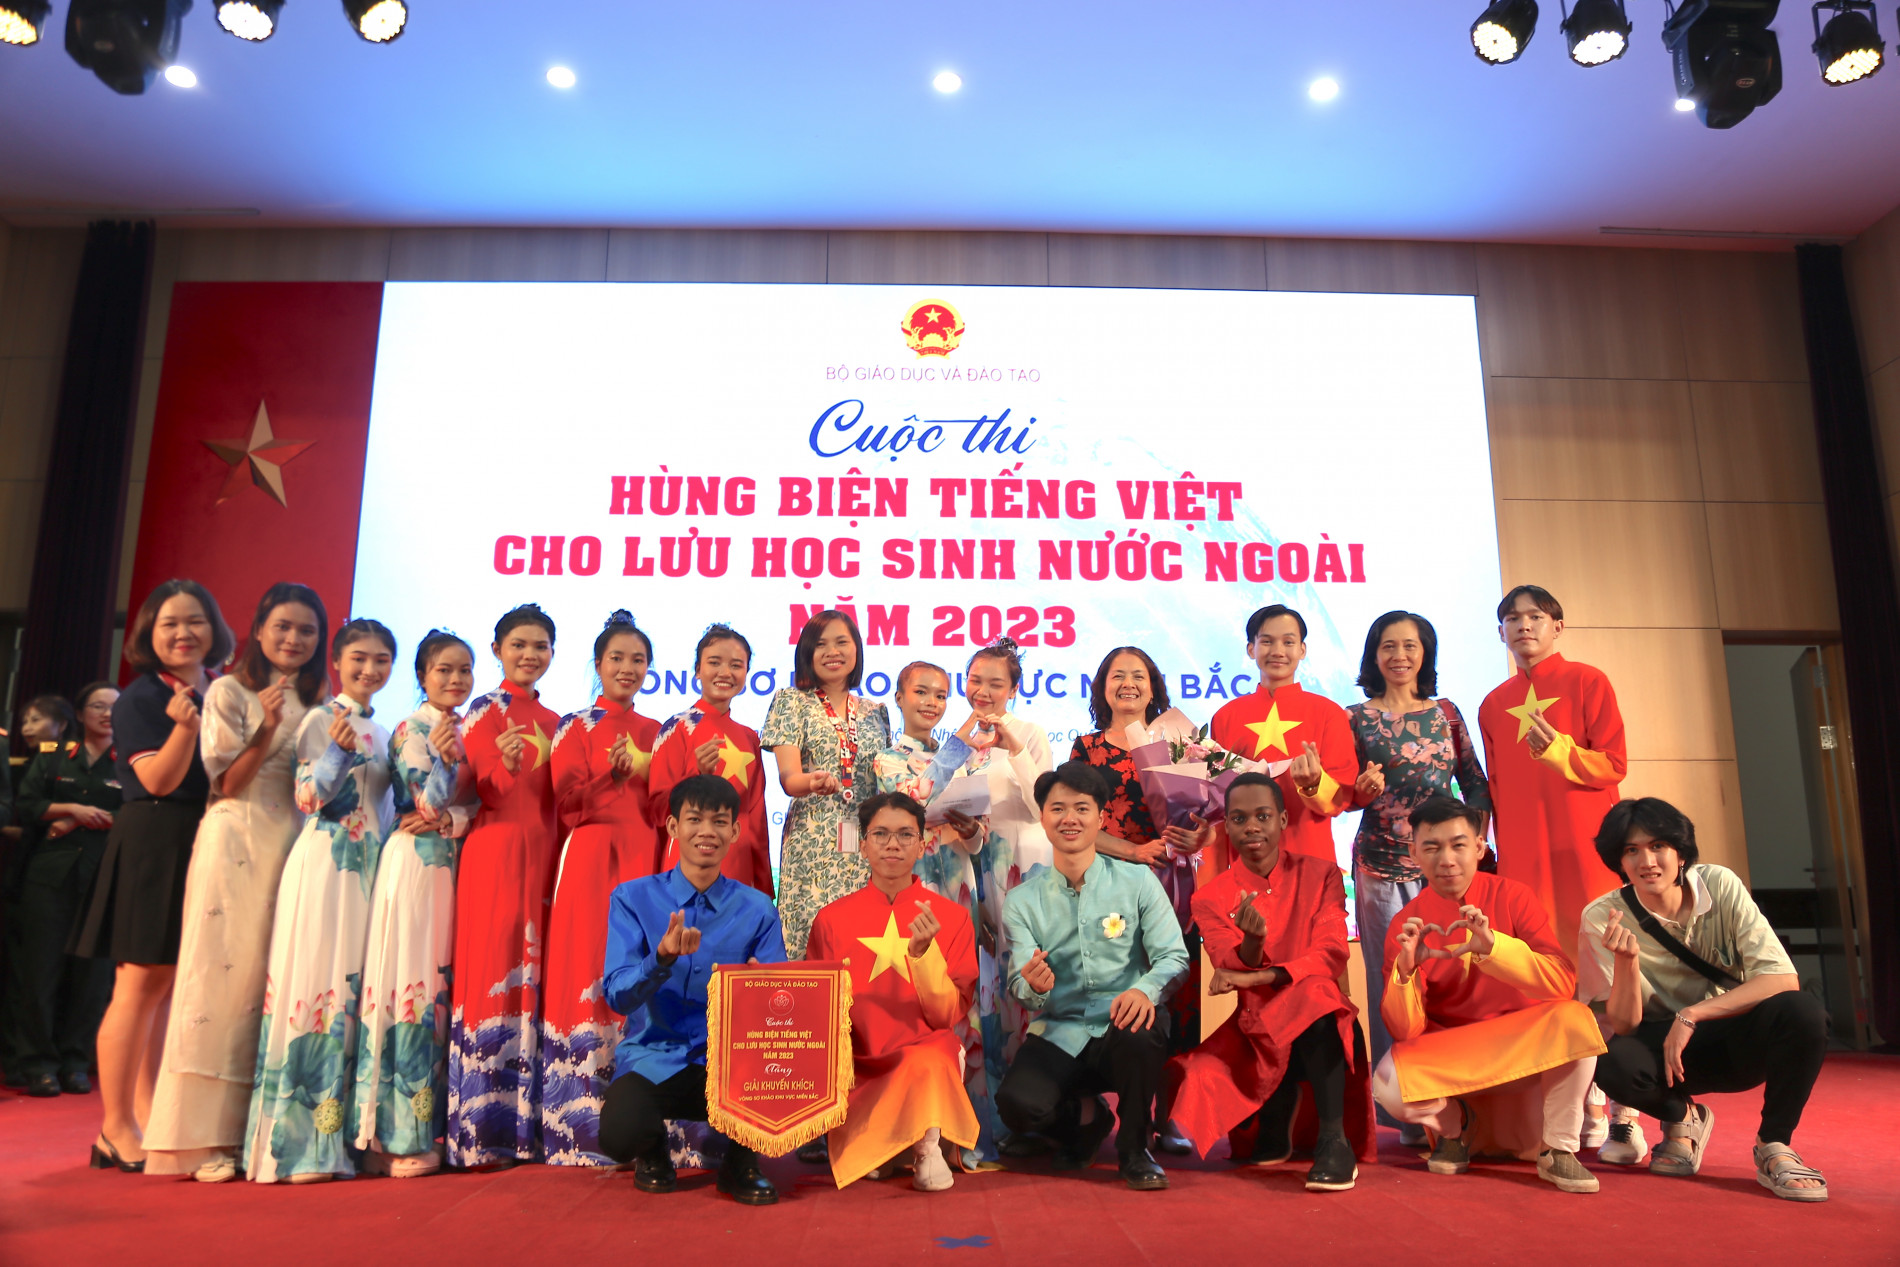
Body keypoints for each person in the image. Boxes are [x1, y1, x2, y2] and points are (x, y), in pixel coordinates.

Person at [145, 581, 326, 1181]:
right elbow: (226, 782)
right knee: (219, 982)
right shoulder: (228, 690)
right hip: (236, 840)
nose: (293, 639)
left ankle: (260, 1129)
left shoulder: (322, 698)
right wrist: (266, 726)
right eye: (283, 627)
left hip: (293, 845)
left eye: (306, 630)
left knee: (272, 984)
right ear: (258, 630)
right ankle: (199, 1140)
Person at [1581, 798, 1829, 1201]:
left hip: (1735, 1035)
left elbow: (1782, 978)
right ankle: (1683, 1118)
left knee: (1803, 1012)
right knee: (1606, 1059)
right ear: (1619, 862)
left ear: (1681, 853)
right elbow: (1624, 1025)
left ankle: (1774, 1145)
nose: (1647, 861)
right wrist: (1626, 961)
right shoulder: (1601, 916)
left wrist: (1691, 1015)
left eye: (1658, 846)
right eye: (1631, 850)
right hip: (1665, 1055)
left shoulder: (1719, 884)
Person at [74, 579, 233, 1173]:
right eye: (170, 623)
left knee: (166, 987)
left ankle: (148, 1111)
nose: (183, 633)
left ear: (214, 629)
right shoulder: (140, 698)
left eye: (195, 621)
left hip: (202, 838)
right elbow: (159, 781)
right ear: (149, 632)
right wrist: (186, 729)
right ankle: (114, 1127)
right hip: (153, 840)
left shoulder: (220, 689)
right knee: (137, 985)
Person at [1373, 795, 1606, 1195]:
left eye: (1458, 845)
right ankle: (1456, 1127)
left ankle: (1559, 1149)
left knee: (1577, 1019)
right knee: (1387, 1082)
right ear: (1413, 853)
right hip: (1456, 1050)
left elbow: (1561, 983)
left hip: (1521, 1042)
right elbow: (1404, 1030)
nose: (1447, 860)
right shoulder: (1405, 923)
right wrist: (1406, 971)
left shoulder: (1514, 896)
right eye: (1432, 847)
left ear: (1480, 847)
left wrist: (1496, 949)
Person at [242, 618, 397, 1183]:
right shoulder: (318, 720)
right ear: (336, 662)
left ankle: (344, 1139)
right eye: (360, 658)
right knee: (316, 989)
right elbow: (308, 798)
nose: (370, 669)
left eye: (381, 660)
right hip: (326, 866)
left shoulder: (385, 731)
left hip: (370, 870)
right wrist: (335, 753)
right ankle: (296, 1148)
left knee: (355, 995)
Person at [1164, 772, 1371, 1191]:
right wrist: (1253, 943)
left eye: (1263, 816)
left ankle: (1334, 1141)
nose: (1252, 827)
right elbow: (1226, 961)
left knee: (1317, 993)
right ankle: (1276, 1109)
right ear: (1227, 826)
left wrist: (1263, 974)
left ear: (1282, 820)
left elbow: (1331, 952)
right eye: (1239, 819)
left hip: (1320, 1022)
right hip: (1255, 1032)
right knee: (1194, 1073)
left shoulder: (1323, 875)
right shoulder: (1209, 897)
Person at [995, 761, 1188, 1190]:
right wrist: (1032, 986)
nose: (1070, 819)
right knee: (1016, 1106)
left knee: (1142, 1032)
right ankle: (1088, 1121)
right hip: (1060, 1030)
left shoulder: (1138, 881)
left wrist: (1145, 990)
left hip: (1124, 1025)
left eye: (1081, 808)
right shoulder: (1022, 900)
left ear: (1101, 819)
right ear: (1043, 819)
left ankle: (1135, 1150)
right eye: (1058, 809)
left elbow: (1174, 957)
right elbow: (1020, 986)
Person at [597, 774, 785, 1206]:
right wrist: (659, 959)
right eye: (695, 819)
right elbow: (618, 995)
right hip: (652, 1059)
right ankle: (652, 1151)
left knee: (779, 1073)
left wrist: (762, 988)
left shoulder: (758, 909)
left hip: (730, 1062)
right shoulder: (632, 898)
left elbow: (779, 1007)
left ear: (735, 832)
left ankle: (741, 1163)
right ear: (673, 827)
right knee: (619, 1134)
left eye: (719, 822)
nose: (707, 831)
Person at [1346, 611, 1492, 1135]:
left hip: (1446, 870)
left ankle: (1459, 1095)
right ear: (1374, 654)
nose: (1400, 656)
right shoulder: (1354, 718)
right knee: (1391, 979)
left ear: (1425, 653)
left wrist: (1471, 845)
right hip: (1380, 866)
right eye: (1389, 646)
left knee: (1452, 975)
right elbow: (1343, 797)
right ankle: (1405, 1109)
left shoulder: (1446, 713)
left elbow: (1475, 784)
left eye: (1410, 645)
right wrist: (1360, 791)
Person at [806, 791, 980, 1190]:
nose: (892, 844)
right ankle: (884, 1143)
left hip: (923, 1051)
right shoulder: (830, 919)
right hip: (858, 1059)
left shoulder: (952, 918)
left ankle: (926, 1147)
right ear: (863, 844)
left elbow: (946, 1016)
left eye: (905, 835)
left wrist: (923, 956)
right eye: (880, 834)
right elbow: (819, 1010)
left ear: (921, 845)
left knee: (931, 1057)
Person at [353, 628, 479, 1179]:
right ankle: (395, 1135)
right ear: (423, 676)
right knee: (411, 989)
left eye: (464, 670)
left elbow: (472, 807)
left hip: (453, 865)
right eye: (444, 670)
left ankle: (433, 1126)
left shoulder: (469, 728)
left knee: (441, 991)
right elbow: (425, 805)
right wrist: (448, 769)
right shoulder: (412, 729)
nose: (455, 679)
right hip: (415, 867)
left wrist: (457, 815)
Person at [543, 610, 664, 1166]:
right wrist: (609, 777)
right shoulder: (574, 726)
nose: (627, 668)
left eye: (638, 659)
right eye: (617, 657)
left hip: (643, 858)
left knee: (638, 971)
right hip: (591, 857)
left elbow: (665, 808)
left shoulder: (658, 732)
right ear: (598, 664)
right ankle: (578, 1122)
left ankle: (638, 1120)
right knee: (587, 965)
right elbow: (566, 804)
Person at [449, 602, 563, 1169]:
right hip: (495, 854)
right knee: (493, 973)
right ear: (497, 650)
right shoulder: (483, 711)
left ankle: (527, 1128)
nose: (529, 655)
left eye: (540, 646)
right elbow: (485, 790)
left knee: (535, 976)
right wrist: (506, 762)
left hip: (544, 855)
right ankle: (480, 1131)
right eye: (519, 644)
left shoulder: (560, 722)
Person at [947, 638, 1055, 1158]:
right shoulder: (960, 740)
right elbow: (954, 818)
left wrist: (1012, 747)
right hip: (980, 875)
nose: (983, 690)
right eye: (975, 680)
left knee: (1029, 988)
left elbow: (1042, 807)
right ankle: (992, 1121)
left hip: (1028, 872)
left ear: (1013, 688)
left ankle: (1038, 1115)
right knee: (988, 997)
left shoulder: (1030, 733)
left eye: (996, 682)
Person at [1478, 585, 1625, 956]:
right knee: (1533, 943)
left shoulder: (1588, 681)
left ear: (1557, 627)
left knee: (1599, 941)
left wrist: (1558, 751)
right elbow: (1496, 787)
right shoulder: (1492, 704)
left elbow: (1613, 764)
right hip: (1521, 848)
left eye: (1535, 617)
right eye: (1513, 618)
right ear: (1501, 633)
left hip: (1585, 839)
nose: (1524, 625)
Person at [3, 681, 120, 1098]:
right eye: (97, 706)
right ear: (81, 713)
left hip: (103, 878)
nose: (106, 714)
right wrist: (71, 808)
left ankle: (75, 1062)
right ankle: (39, 1064)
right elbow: (27, 804)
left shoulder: (133, 759)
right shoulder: (55, 753)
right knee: (40, 974)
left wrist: (77, 820)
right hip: (49, 878)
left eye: (114, 707)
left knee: (92, 979)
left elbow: (139, 813)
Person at [763, 609, 893, 960]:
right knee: (810, 935)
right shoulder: (791, 701)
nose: (832, 652)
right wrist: (812, 781)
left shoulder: (876, 710)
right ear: (807, 652)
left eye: (841, 642)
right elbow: (789, 779)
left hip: (866, 841)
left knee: (864, 941)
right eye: (821, 644)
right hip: (813, 838)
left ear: (856, 649)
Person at [1210, 605, 1355, 865]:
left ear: (1302, 650)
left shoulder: (1329, 713)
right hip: (1247, 861)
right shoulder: (1225, 717)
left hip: (1311, 859)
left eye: (1288, 642)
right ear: (1251, 649)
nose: (1278, 651)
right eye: (1267, 641)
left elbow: (1341, 798)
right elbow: (1218, 802)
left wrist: (1314, 785)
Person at [648, 624, 772, 896]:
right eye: (714, 662)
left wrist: (763, 886)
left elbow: (756, 819)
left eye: (736, 665)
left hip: (738, 869)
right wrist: (696, 775)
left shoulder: (750, 737)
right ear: (697, 670)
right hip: (687, 866)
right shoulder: (677, 728)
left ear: (747, 672)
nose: (725, 673)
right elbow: (657, 811)